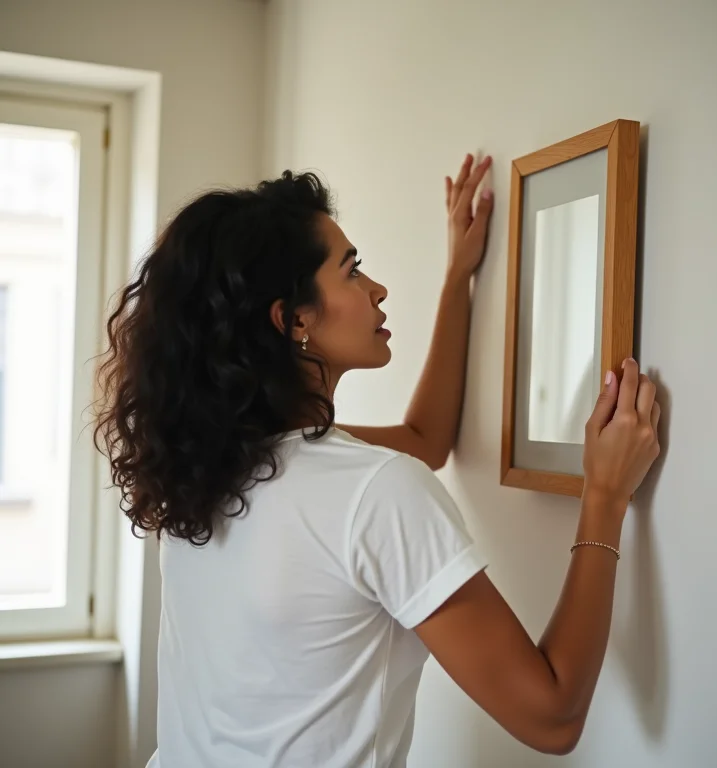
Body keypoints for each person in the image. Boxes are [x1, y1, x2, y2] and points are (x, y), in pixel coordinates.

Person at [94, 154, 660, 768]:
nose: (377, 289)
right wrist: (605, 497)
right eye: (352, 270)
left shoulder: (210, 462)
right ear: (294, 319)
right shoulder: (373, 490)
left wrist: (460, 278)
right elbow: (552, 717)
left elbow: (425, 438)